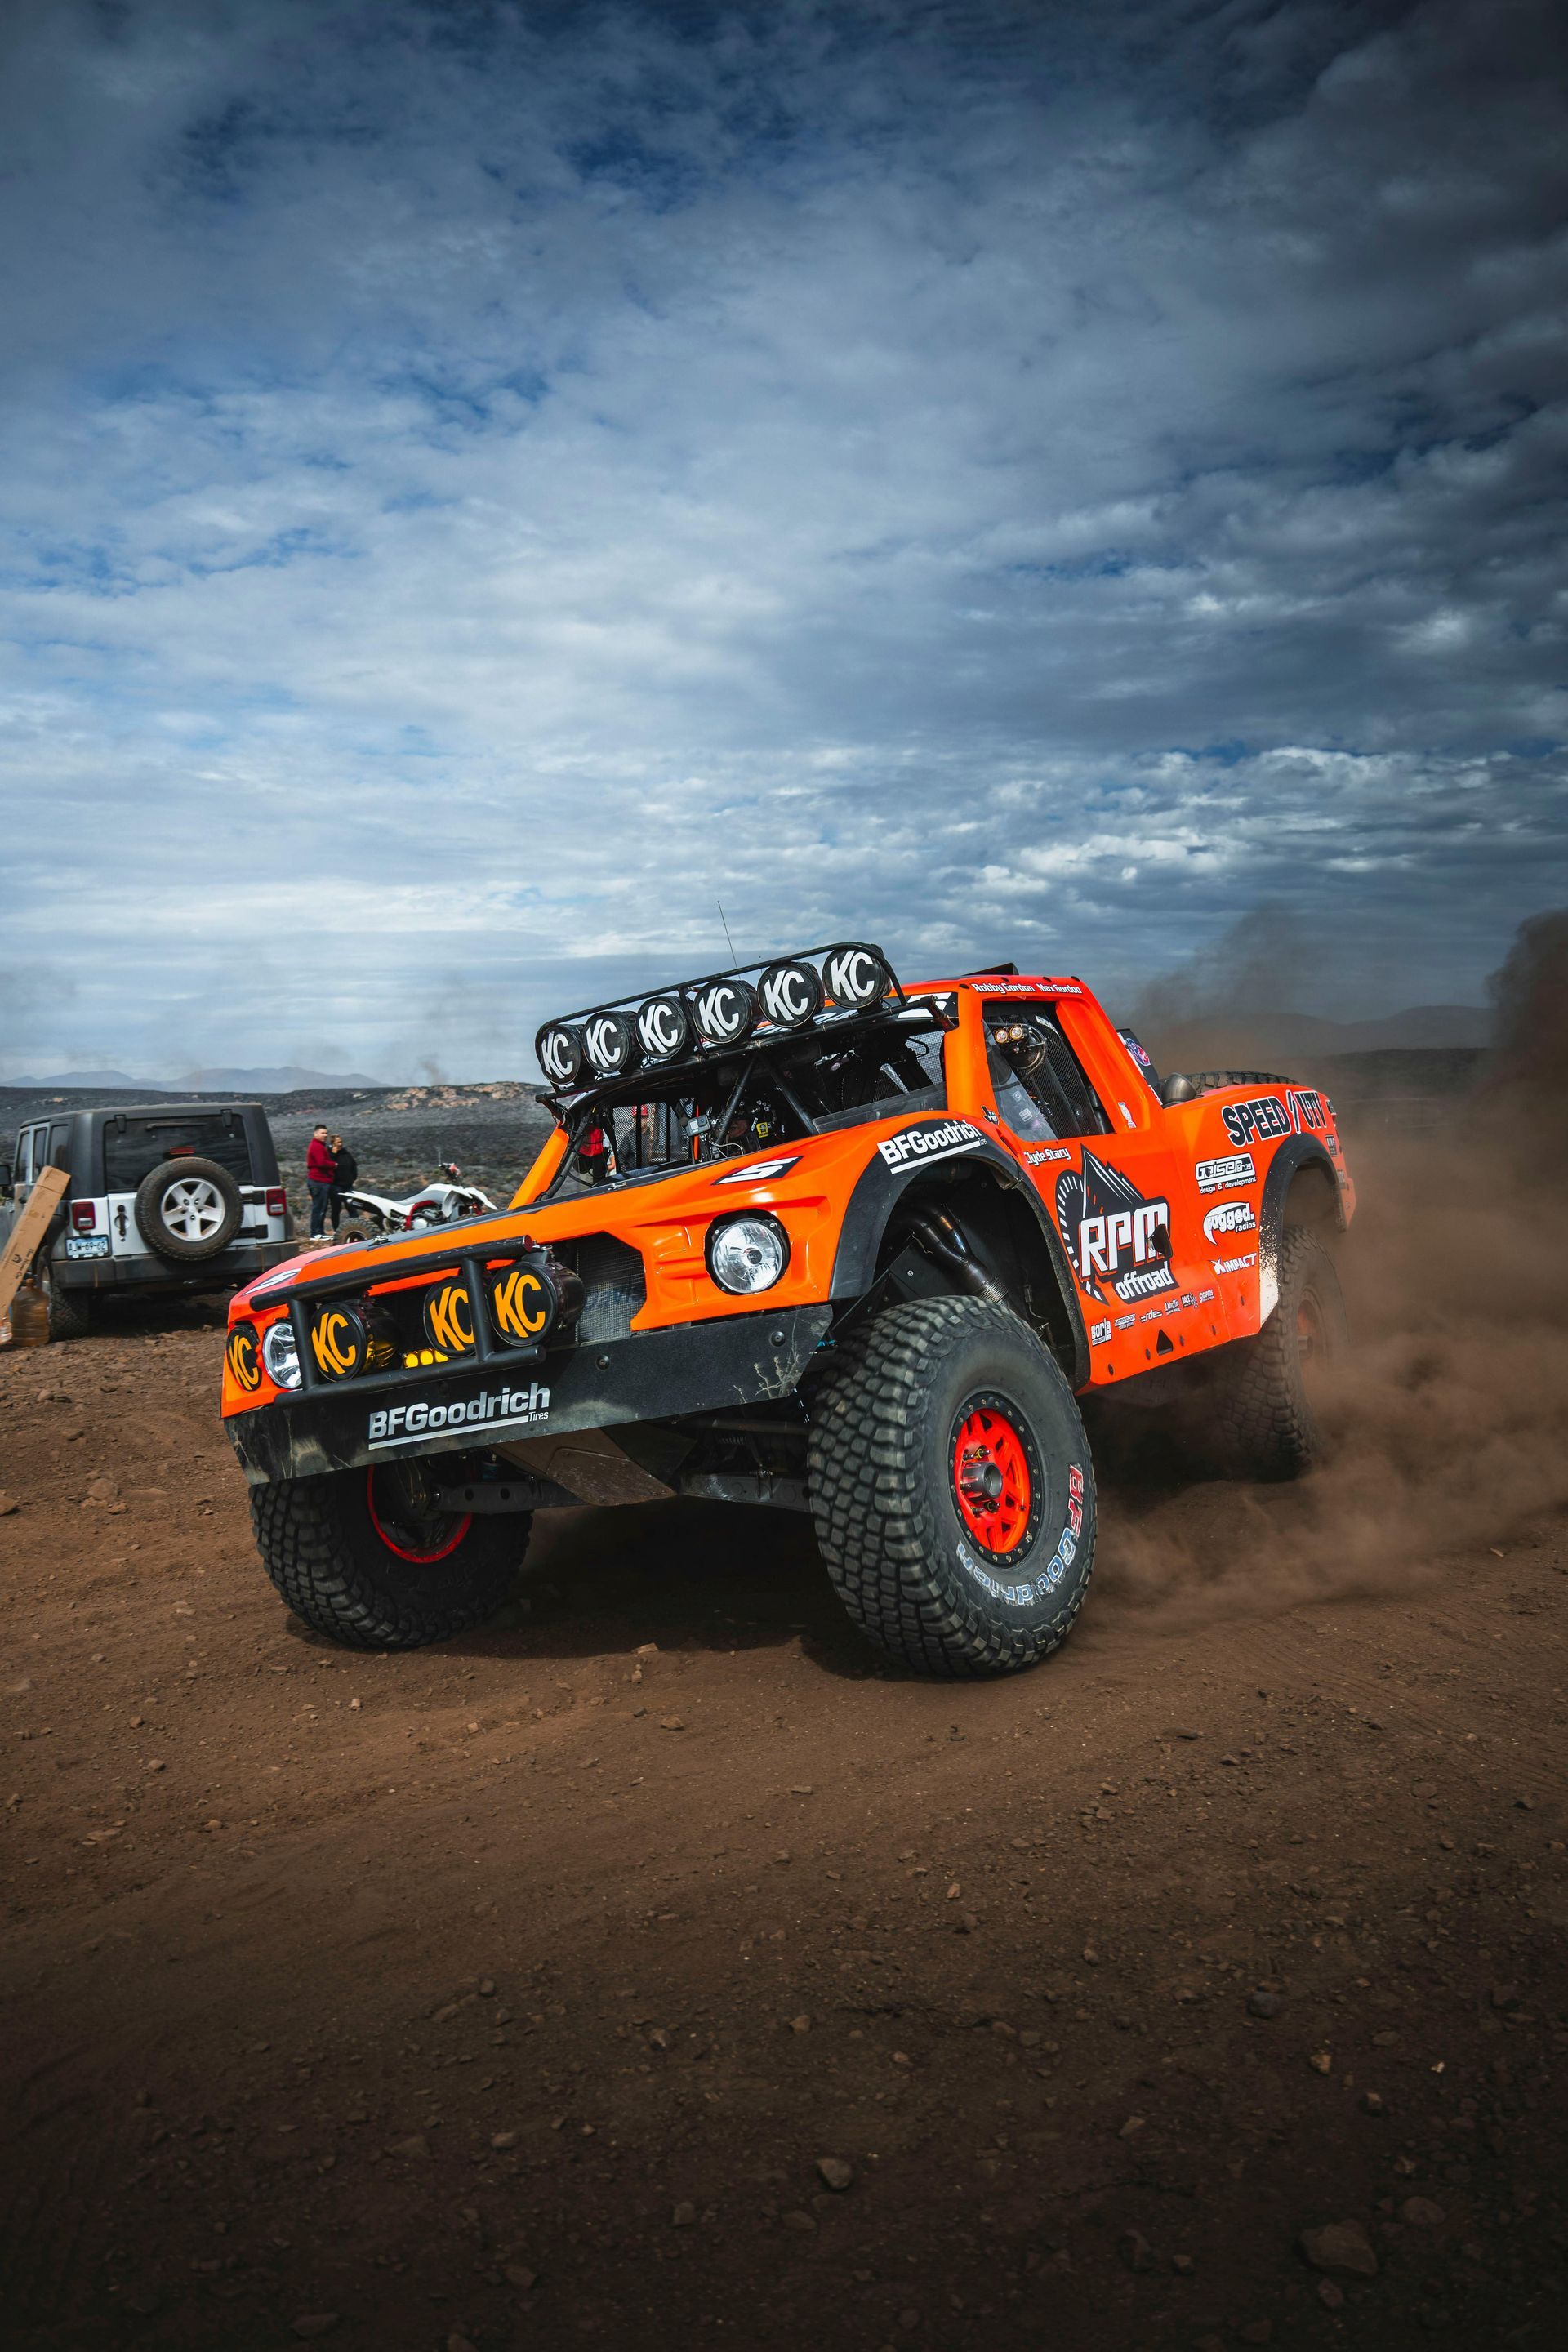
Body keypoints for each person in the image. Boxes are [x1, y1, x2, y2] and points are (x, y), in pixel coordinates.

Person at [305, 1125, 336, 1239]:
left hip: (321, 1181)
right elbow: (321, 1162)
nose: (325, 1135)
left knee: (321, 1206)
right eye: (322, 1133)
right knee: (319, 1207)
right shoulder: (316, 1146)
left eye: (326, 1133)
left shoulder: (320, 1145)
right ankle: (315, 1233)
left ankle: (320, 1232)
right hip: (318, 1181)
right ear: (316, 1134)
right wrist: (334, 1165)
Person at [328, 1133, 358, 1233]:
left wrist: (353, 1178)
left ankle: (356, 1227)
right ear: (333, 1143)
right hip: (335, 1186)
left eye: (341, 1142)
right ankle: (337, 1230)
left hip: (348, 1185)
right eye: (337, 1142)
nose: (340, 1144)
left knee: (352, 1206)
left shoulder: (345, 1153)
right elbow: (329, 1166)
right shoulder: (330, 1154)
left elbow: (353, 1165)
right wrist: (334, 1153)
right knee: (336, 1209)